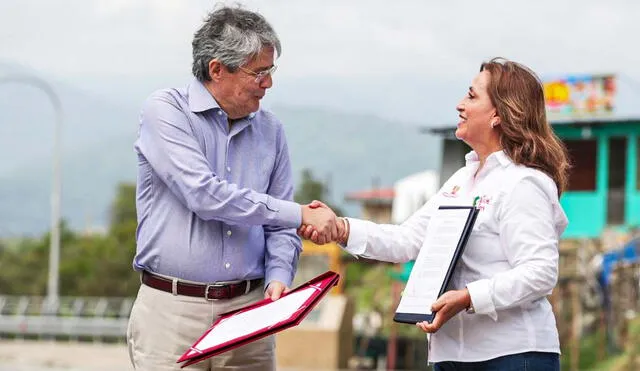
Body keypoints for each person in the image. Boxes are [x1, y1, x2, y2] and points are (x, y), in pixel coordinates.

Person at [300, 58, 570, 370]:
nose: (459, 105)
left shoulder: (523, 183)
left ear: (498, 114)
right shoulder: (461, 181)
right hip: (451, 353)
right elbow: (407, 239)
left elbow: (540, 272)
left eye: (471, 96)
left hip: (511, 354)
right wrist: (341, 228)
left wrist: (468, 297)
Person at [126, 6, 338, 371]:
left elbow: (280, 226)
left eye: (271, 71)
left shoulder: (271, 131)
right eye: (259, 72)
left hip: (249, 315)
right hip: (172, 314)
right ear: (217, 69)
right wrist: (300, 213)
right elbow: (205, 196)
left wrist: (278, 276)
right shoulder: (165, 111)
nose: (268, 83)